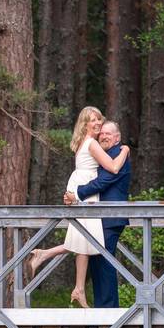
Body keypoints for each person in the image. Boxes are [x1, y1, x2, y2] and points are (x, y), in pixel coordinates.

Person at [28, 108, 129, 308]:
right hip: (85, 191)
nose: (98, 124)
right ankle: (79, 288)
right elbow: (114, 167)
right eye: (93, 120)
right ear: (84, 124)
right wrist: (126, 149)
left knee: (84, 239)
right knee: (87, 239)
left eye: (99, 119)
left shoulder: (83, 142)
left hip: (81, 187)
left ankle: (75, 284)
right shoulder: (92, 143)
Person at [64, 121, 132, 308]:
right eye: (101, 134)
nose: (103, 136)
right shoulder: (108, 155)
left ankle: (108, 310)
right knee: (96, 259)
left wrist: (77, 193)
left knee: (104, 260)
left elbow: (103, 182)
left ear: (117, 138)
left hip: (111, 217)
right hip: (100, 216)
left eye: (108, 134)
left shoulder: (118, 153)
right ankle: (103, 308)